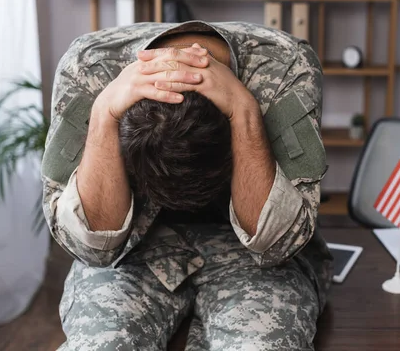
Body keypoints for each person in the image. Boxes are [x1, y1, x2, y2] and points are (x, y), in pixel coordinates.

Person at [41, 20, 333, 351]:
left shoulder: (286, 66)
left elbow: (277, 245)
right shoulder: (88, 67)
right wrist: (104, 114)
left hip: (249, 254)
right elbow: (90, 247)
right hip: (135, 249)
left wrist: (245, 112)